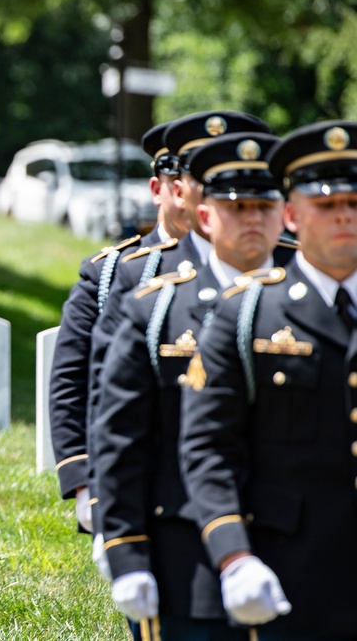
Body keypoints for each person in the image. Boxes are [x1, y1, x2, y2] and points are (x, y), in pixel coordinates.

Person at [95, 131, 285, 640]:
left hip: (295, 550)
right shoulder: (152, 307)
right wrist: (126, 549)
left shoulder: (311, 308)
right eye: (236, 206)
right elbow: (119, 434)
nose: (251, 220)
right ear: (206, 216)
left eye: (263, 206)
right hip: (182, 552)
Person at [180, 120, 357, 638]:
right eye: (326, 205)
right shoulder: (248, 313)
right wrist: (233, 555)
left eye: (353, 202)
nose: (344, 215)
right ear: (293, 215)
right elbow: (209, 446)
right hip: (289, 567)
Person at [49, 121, 185, 537]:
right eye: (177, 181)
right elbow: (72, 379)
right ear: (157, 188)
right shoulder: (110, 273)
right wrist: (82, 477)